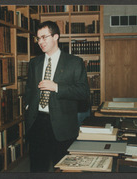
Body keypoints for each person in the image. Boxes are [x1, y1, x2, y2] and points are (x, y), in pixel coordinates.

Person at [24, 21, 90, 172]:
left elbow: (83, 92)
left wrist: (57, 87)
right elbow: (29, 89)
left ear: (56, 37)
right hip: (36, 124)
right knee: (37, 168)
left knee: (62, 169)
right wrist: (28, 107)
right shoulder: (34, 63)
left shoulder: (75, 62)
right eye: (38, 38)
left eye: (44, 37)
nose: (40, 42)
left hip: (62, 127)